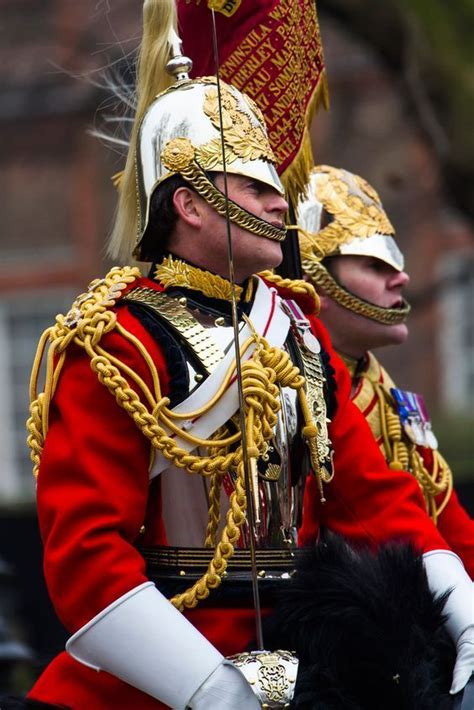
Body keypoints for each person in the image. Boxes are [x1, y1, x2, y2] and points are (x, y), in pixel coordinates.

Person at [21, 4, 472, 709]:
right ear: (190, 205)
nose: (279, 208)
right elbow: (86, 560)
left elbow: (374, 497)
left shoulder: (296, 330)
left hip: (307, 663)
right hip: (158, 675)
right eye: (257, 189)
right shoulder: (116, 340)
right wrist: (208, 689)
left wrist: (464, 607)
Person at [296, 164, 474, 577]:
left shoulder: (386, 395)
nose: (402, 278)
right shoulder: (283, 388)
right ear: (311, 279)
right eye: (376, 265)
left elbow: (449, 525)